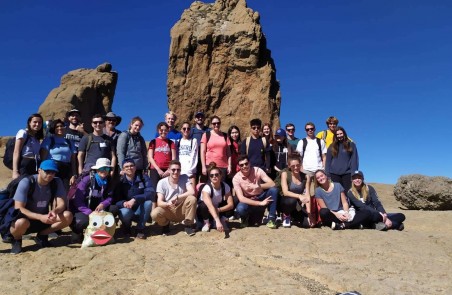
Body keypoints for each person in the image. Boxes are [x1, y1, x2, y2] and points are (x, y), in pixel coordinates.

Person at [9, 160, 73, 254]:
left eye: (53, 172)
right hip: (26, 218)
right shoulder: (27, 182)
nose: (50, 175)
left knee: (68, 216)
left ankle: (42, 235)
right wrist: (40, 217)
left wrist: (54, 211)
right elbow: (19, 208)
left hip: (44, 218)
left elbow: (61, 203)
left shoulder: (56, 181)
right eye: (47, 172)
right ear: (39, 170)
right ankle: (17, 240)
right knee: (20, 223)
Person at [69, 158, 118, 242]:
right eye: (101, 168)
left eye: (106, 168)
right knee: (81, 223)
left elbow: (110, 197)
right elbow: (77, 200)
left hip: (97, 208)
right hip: (82, 209)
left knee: (114, 209)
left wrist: (103, 204)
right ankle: (77, 232)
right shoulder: (87, 180)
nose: (104, 171)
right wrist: (90, 213)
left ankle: (100, 230)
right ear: (97, 170)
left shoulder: (109, 180)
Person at [151, 160, 197, 236]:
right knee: (154, 213)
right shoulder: (162, 182)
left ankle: (188, 225)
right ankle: (165, 225)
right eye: (173, 170)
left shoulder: (184, 177)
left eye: (178, 170)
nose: (176, 172)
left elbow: (192, 192)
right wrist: (167, 204)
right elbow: (159, 202)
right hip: (169, 209)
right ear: (169, 170)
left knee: (192, 199)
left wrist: (178, 197)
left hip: (182, 209)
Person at [233, 155, 279, 229]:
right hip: (248, 199)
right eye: (241, 165)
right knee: (240, 209)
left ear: (249, 163)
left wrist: (259, 186)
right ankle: (245, 218)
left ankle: (271, 218)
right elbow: (241, 198)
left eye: (246, 163)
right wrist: (260, 203)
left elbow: (272, 184)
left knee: (273, 190)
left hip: (261, 196)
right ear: (239, 166)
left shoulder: (257, 170)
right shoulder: (236, 178)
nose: (244, 166)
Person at [114, 159, 155, 239]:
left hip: (140, 209)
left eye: (131, 165)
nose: (129, 168)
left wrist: (135, 199)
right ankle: (126, 227)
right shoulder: (120, 181)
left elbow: (151, 192)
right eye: (126, 166)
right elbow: (115, 200)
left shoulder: (143, 177)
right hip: (127, 208)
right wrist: (124, 203)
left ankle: (140, 229)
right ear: (123, 169)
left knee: (148, 202)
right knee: (125, 212)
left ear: (135, 167)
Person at [40, 119, 78, 190]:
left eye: (61, 126)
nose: (60, 128)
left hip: (66, 170)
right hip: (52, 168)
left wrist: (74, 174)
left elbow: (73, 160)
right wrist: (42, 171)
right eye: (57, 127)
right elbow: (43, 158)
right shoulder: (49, 139)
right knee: (51, 191)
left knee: (64, 192)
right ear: (53, 128)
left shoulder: (69, 141)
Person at [279, 155, 315, 228]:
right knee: (292, 201)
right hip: (285, 202)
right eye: (293, 166)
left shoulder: (306, 177)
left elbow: (307, 195)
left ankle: (293, 216)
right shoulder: (285, 174)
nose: (296, 168)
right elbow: (285, 192)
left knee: (307, 224)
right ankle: (286, 215)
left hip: (296, 205)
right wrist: (299, 196)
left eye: (298, 165)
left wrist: (309, 213)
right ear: (289, 166)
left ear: (300, 164)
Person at [197, 162, 234, 233]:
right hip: (206, 211)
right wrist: (217, 221)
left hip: (217, 209)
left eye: (216, 175)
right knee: (203, 205)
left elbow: (231, 204)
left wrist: (218, 210)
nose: (214, 177)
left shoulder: (225, 186)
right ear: (209, 177)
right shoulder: (206, 188)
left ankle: (222, 220)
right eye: (211, 175)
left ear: (220, 176)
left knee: (235, 200)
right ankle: (206, 222)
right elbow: (210, 206)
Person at [296, 122, 326, 200]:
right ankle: (309, 212)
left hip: (319, 171)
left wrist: (323, 167)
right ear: (305, 131)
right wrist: (301, 169)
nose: (310, 130)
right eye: (308, 129)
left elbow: (324, 156)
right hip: (306, 171)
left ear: (314, 129)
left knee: (320, 193)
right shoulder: (302, 142)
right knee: (308, 193)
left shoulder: (320, 142)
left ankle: (319, 211)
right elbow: (298, 157)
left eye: (311, 129)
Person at [325, 126, 359, 193]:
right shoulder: (331, 146)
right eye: (337, 134)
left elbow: (354, 159)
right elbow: (328, 161)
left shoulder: (351, 145)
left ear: (344, 134)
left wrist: (354, 173)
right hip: (334, 174)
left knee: (348, 192)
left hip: (347, 173)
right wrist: (327, 174)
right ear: (335, 135)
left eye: (341, 133)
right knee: (337, 193)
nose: (339, 136)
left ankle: (348, 204)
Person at [12, 113, 44, 179]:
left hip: (35, 165)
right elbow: (16, 152)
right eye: (35, 122)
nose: (37, 124)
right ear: (29, 123)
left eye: (40, 122)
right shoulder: (23, 132)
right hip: (25, 165)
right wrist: (15, 171)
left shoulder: (36, 138)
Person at [148, 122, 177, 188]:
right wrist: (158, 169)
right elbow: (150, 157)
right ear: (158, 130)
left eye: (165, 130)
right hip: (155, 170)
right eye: (161, 130)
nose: (163, 132)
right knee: (154, 190)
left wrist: (169, 169)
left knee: (166, 190)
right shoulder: (153, 142)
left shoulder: (171, 143)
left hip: (167, 170)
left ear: (168, 130)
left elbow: (174, 158)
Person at [190, 111, 210, 183]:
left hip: (205, 158)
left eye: (201, 117)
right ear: (195, 119)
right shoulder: (191, 131)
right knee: (193, 178)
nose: (200, 118)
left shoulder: (208, 130)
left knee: (204, 178)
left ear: (204, 119)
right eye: (198, 117)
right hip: (194, 158)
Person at [178, 122, 198, 189]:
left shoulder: (193, 141)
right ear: (181, 130)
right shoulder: (178, 142)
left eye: (188, 128)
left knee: (191, 194)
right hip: (179, 172)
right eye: (184, 128)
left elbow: (194, 157)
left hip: (190, 172)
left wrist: (190, 171)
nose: (186, 130)